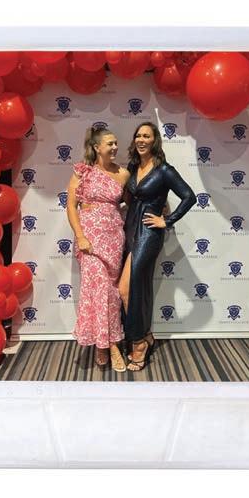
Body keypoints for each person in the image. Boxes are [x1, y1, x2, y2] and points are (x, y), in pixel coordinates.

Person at [118, 122, 197, 371]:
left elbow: (189, 196)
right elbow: (127, 197)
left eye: (147, 136)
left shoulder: (164, 170)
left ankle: (139, 343)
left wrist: (167, 220)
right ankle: (145, 334)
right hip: (129, 229)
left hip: (149, 234)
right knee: (136, 287)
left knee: (127, 288)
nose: (141, 140)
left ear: (155, 141)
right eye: (138, 135)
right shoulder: (133, 167)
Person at [67, 127, 130, 372]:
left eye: (116, 143)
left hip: (114, 237)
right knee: (99, 289)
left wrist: (160, 209)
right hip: (90, 239)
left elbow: (131, 203)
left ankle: (101, 343)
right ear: (96, 147)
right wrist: (80, 236)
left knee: (111, 293)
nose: (115, 147)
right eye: (109, 144)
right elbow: (71, 206)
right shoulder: (83, 171)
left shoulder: (123, 174)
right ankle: (111, 346)